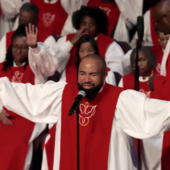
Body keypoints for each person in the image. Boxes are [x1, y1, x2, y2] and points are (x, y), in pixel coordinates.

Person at [0, 54, 170, 170]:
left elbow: (153, 112)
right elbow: (27, 94)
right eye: (82, 73)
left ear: (104, 76)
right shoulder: (62, 94)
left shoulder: (121, 99)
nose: (86, 79)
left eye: (93, 74)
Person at [27, 6, 125, 78]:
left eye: (91, 24)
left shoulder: (110, 44)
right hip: (68, 81)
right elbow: (52, 63)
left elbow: (116, 70)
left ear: (98, 26)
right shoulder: (66, 39)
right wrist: (71, 42)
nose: (86, 27)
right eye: (83, 23)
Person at [0, 24, 47, 170]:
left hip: (27, 116)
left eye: (23, 47)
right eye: (15, 46)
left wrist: (34, 47)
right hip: (3, 114)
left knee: (17, 143)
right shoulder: (1, 67)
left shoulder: (36, 70)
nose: (18, 50)